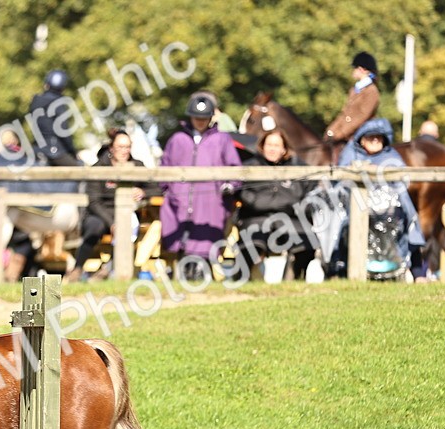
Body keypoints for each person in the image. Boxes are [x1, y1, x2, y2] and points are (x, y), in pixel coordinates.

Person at [336, 118, 427, 281]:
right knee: (340, 221)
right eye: (371, 137)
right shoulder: (351, 154)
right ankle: (340, 270)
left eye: (379, 137)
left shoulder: (391, 156)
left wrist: (381, 173)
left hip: (390, 210)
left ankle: (417, 272)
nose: (375, 140)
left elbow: (403, 181)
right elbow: (339, 182)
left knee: (410, 219)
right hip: (355, 207)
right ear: (362, 140)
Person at [159, 90, 241, 267]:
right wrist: (166, 188)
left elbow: (234, 167)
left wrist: (230, 185)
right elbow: (165, 165)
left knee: (206, 240)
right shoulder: (178, 139)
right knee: (179, 238)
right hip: (180, 199)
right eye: (197, 117)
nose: (200, 121)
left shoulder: (222, 139)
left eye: (204, 117)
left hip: (210, 201)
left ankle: (203, 270)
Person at [235, 128, 314, 280]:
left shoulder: (297, 167)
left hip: (290, 218)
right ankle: (243, 280)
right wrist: (257, 203)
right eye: (269, 144)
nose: (272, 149)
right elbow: (241, 192)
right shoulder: (250, 167)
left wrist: (294, 206)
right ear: (262, 146)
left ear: (284, 148)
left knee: (305, 242)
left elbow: (308, 192)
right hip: (255, 217)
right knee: (252, 242)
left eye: (277, 145)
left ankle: (293, 280)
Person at [73, 129, 150, 280]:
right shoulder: (99, 168)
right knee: (94, 226)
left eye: (127, 147)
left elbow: (156, 188)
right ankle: (77, 269)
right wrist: (112, 223)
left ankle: (109, 270)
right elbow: (94, 201)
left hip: (128, 213)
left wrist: (143, 192)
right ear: (111, 148)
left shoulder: (137, 166)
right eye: (120, 147)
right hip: (100, 213)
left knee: (130, 225)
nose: (124, 151)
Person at [27, 69, 82, 166]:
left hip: (36, 149)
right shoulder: (58, 103)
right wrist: (72, 151)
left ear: (46, 84)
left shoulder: (35, 101)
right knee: (81, 169)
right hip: (55, 151)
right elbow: (63, 131)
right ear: (63, 87)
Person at [325, 52, 380, 145]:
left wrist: (340, 133)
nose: (353, 71)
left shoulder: (371, 91)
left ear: (362, 69)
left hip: (361, 137)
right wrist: (330, 131)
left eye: (355, 68)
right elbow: (345, 114)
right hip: (347, 134)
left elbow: (362, 117)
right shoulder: (354, 89)